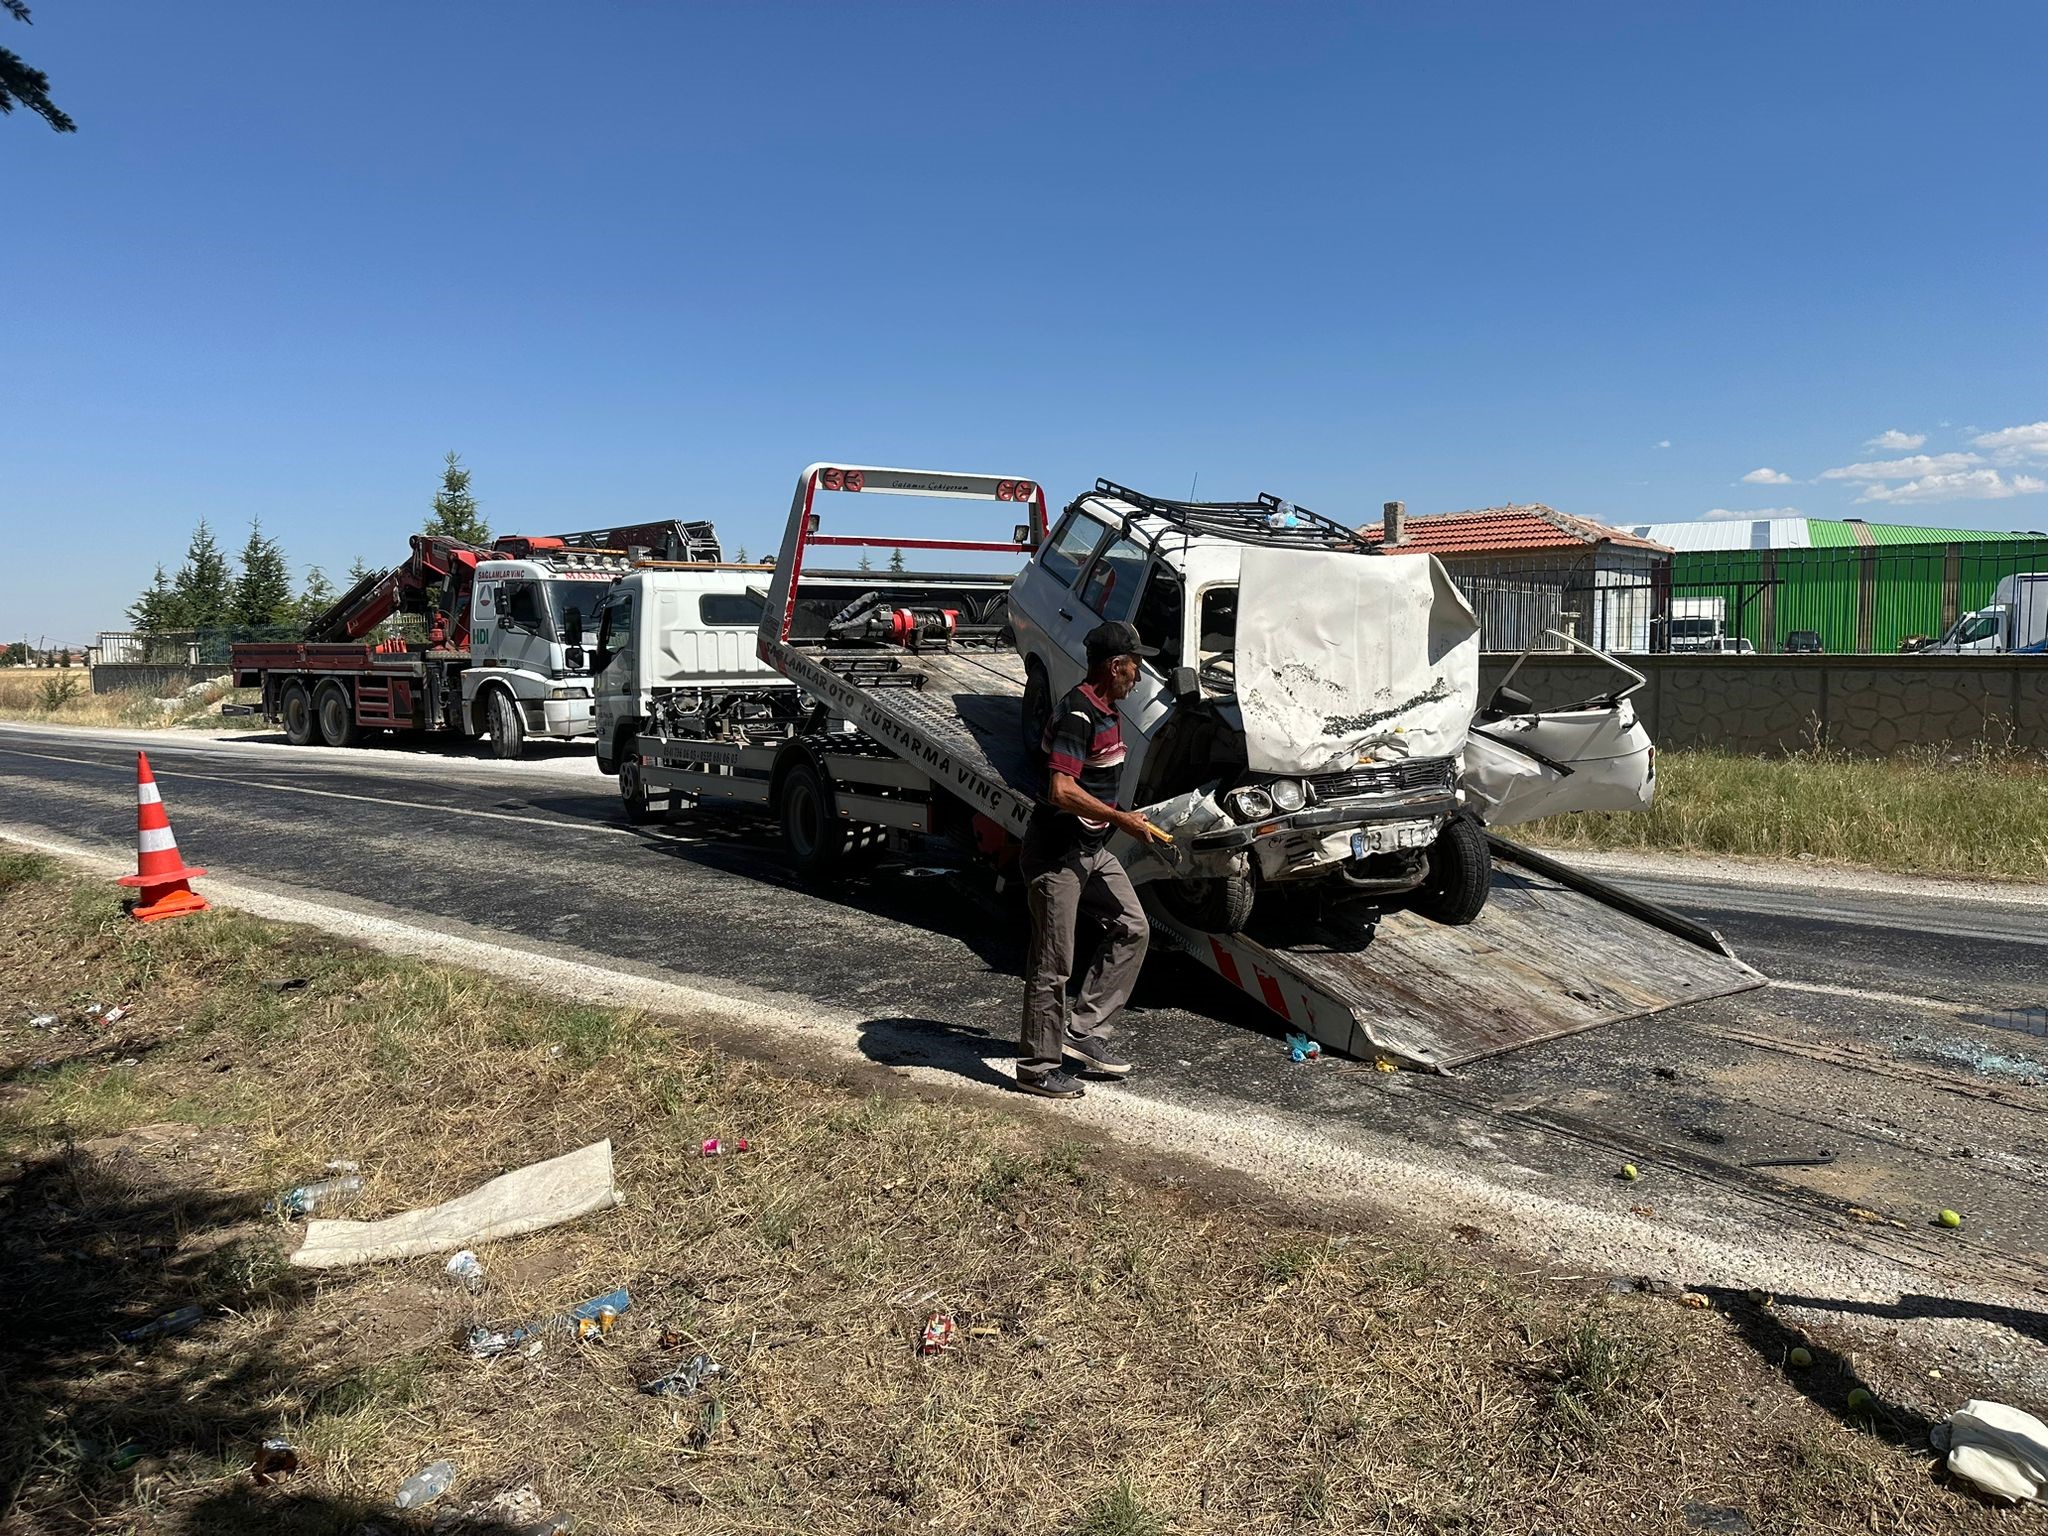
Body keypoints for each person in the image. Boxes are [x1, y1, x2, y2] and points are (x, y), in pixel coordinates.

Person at [1016, 619, 1172, 1099]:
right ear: (1115, 666)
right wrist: (1120, 821)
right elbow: (1061, 789)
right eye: (1135, 666)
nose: (1140, 676)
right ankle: (1038, 1067)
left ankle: (1082, 1032)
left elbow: (1094, 785)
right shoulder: (1079, 714)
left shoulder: (1109, 711)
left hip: (1091, 850)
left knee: (1133, 927)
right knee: (1053, 960)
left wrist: (1129, 819)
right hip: (1056, 855)